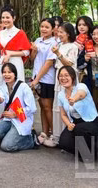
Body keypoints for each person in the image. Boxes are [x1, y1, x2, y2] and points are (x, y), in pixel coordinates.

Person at [55, 66, 98, 161]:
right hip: (75, 123)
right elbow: (63, 114)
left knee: (80, 129)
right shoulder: (61, 95)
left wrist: (73, 99)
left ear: (73, 77)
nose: (63, 78)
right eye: (60, 76)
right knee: (63, 142)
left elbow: (81, 94)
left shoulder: (81, 86)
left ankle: (90, 153)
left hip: (92, 122)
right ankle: (84, 152)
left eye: (66, 75)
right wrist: (68, 124)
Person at [0, 62, 36, 152]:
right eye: (4, 72)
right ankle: (11, 137)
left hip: (21, 120)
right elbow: (2, 100)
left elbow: (32, 108)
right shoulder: (2, 87)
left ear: (15, 74)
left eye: (9, 72)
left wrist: (15, 114)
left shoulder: (24, 87)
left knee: (6, 146)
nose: (6, 75)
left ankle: (30, 141)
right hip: (9, 120)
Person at [0, 7, 30, 117]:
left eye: (7, 17)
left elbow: (26, 51)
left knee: (16, 88)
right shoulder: (0, 33)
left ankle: (18, 117)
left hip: (15, 63)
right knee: (3, 87)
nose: (5, 20)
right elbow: (1, 51)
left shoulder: (20, 33)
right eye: (3, 17)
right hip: (3, 62)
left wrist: (10, 54)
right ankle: (3, 116)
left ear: (13, 18)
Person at [50, 22, 79, 145]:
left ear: (68, 33)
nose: (59, 34)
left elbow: (69, 64)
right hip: (59, 76)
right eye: (58, 32)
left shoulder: (73, 46)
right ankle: (57, 136)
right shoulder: (59, 45)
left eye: (62, 32)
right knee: (58, 107)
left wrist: (58, 54)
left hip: (68, 77)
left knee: (68, 106)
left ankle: (68, 137)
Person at [30, 17, 57, 146]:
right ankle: (44, 132)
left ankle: (54, 134)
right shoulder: (38, 40)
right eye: (42, 26)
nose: (44, 29)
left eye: (47, 27)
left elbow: (48, 63)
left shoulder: (54, 43)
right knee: (42, 106)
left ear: (52, 29)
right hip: (37, 77)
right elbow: (32, 59)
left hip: (47, 79)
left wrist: (37, 79)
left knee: (48, 107)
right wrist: (34, 51)